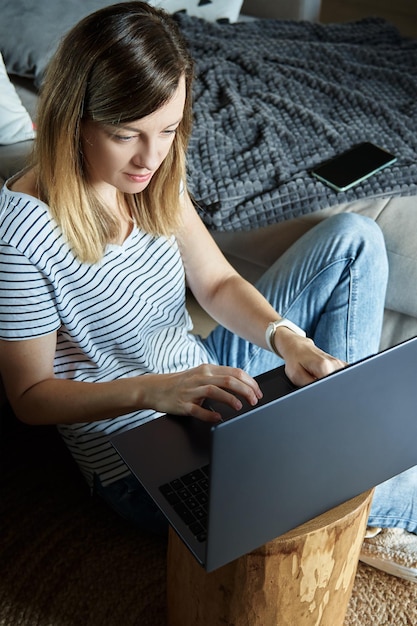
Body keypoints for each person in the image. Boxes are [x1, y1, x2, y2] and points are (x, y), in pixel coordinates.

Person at [0, 1, 414, 580]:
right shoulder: (23, 232)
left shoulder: (155, 176)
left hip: (206, 378)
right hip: (138, 454)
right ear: (75, 121)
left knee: (354, 238)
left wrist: (288, 340)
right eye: (127, 135)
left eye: (167, 129)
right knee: (402, 473)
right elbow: (30, 396)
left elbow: (216, 283)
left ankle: (339, 437)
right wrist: (155, 392)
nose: (151, 156)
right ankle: (350, 484)